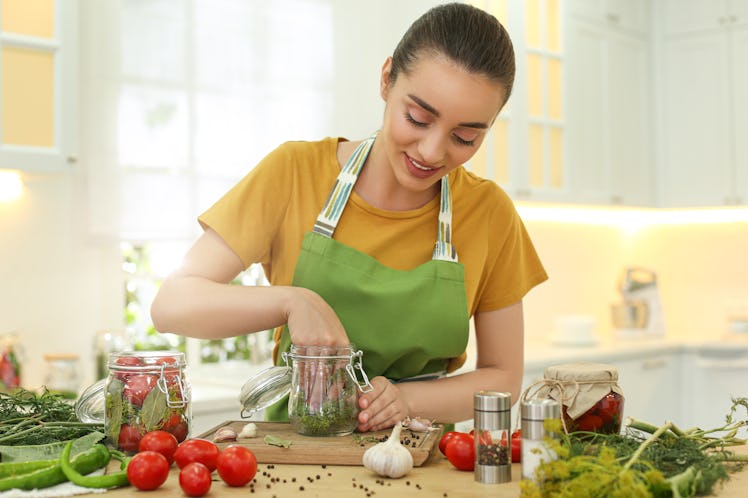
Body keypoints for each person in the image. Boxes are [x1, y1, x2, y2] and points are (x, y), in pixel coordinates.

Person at [151, 2, 547, 433]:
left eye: (465, 137)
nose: (432, 152)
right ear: (386, 79)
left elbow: (503, 377)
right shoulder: (294, 172)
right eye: (417, 117)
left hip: (419, 455)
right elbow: (173, 304)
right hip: (294, 450)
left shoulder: (490, 213)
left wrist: (404, 400)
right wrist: (293, 301)